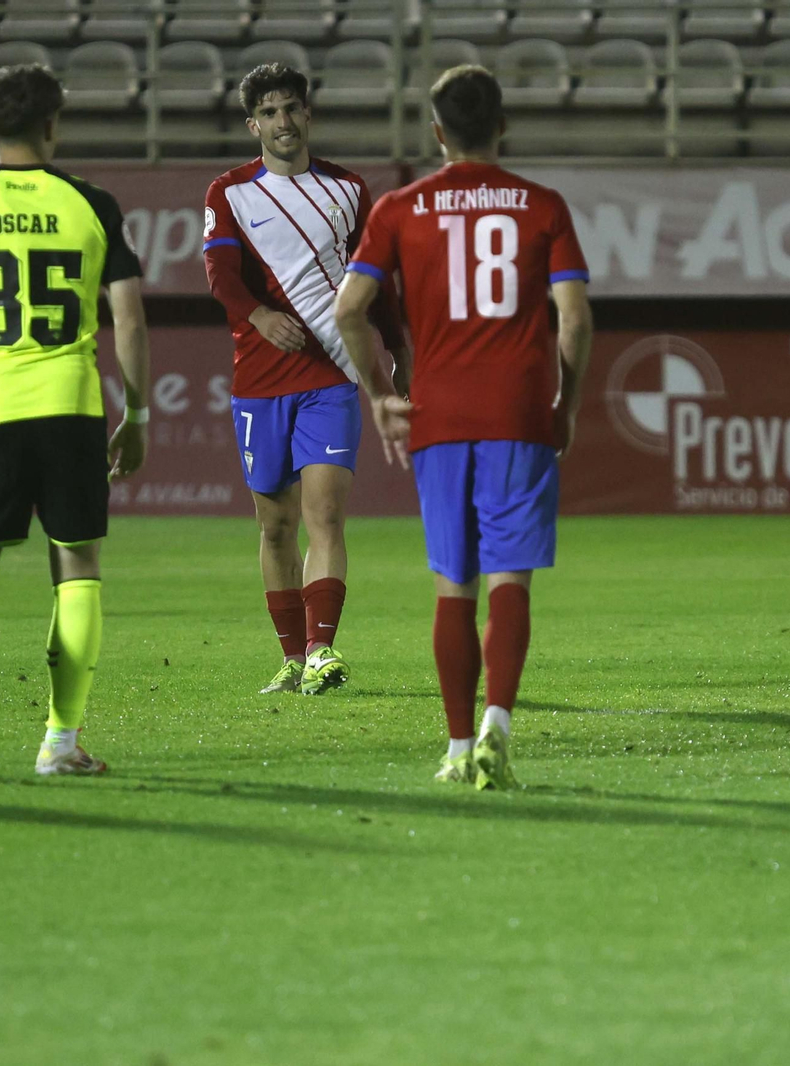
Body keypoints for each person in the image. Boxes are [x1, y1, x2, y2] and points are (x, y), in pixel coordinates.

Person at [334, 65, 593, 790]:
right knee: (511, 577)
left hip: (439, 417)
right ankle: (497, 730)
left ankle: (454, 750)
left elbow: (349, 310)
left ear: (438, 131)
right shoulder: (543, 207)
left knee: (455, 586)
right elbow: (573, 316)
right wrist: (566, 402)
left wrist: (382, 395)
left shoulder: (400, 208)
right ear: (502, 125)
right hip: (519, 412)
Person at [0, 64, 150, 779]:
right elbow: (129, 316)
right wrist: (136, 409)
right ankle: (60, 742)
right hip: (70, 403)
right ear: (53, 123)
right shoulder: (91, 204)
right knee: (76, 568)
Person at [203, 63, 409, 697]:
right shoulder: (230, 193)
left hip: (334, 374)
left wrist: (397, 352)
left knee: (325, 517)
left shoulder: (349, 189)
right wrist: (259, 315)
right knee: (274, 526)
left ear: (308, 114)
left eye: (291, 108)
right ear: (252, 124)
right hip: (260, 380)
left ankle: (322, 648)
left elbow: (380, 280)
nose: (282, 122)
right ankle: (293, 658)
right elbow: (222, 277)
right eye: (269, 113)